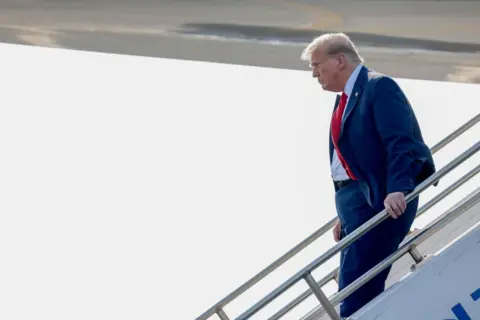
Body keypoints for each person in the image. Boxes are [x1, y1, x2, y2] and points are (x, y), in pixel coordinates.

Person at [300, 33, 436, 318]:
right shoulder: (344, 100)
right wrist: (344, 213)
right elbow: (352, 162)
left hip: (381, 203)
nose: (314, 73)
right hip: (357, 207)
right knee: (350, 293)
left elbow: (400, 142)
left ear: (339, 60)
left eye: (316, 65)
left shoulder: (378, 87)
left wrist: (399, 188)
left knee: (355, 299)